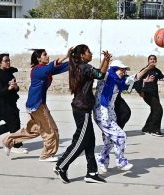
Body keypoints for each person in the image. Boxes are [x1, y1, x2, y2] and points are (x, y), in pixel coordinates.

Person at [53, 44, 111, 184]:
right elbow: (100, 75)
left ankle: (92, 172)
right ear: (82, 55)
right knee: (80, 142)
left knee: (90, 141)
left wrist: (105, 60)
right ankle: (61, 166)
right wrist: (107, 61)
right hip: (82, 109)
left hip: (81, 107)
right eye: (88, 52)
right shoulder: (84, 67)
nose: (91, 54)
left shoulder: (79, 65)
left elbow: (97, 72)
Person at [2, 48, 70, 162]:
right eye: (45, 55)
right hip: (37, 105)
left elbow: (59, 67)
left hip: (37, 104)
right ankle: (46, 155)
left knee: (33, 131)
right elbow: (52, 67)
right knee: (51, 130)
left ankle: (8, 141)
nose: (47, 56)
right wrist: (66, 55)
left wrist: (75, 61)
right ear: (39, 58)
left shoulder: (44, 69)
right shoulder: (37, 70)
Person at [93, 60, 155, 173]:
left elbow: (135, 77)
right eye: (122, 69)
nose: (124, 71)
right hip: (101, 113)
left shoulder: (120, 81)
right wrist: (106, 61)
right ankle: (121, 162)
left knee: (109, 141)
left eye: (125, 69)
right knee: (121, 136)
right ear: (114, 69)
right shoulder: (106, 78)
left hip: (111, 113)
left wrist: (147, 68)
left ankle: (101, 160)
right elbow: (100, 72)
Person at [0, 53, 28, 154]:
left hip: (10, 100)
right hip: (0, 102)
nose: (9, 62)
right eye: (6, 61)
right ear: (0, 62)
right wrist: (9, 88)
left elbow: (16, 88)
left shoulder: (8, 72)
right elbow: (0, 91)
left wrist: (15, 87)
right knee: (13, 122)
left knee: (14, 122)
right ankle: (14, 145)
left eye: (9, 60)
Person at [134, 54, 164, 137]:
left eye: (154, 59)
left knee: (154, 110)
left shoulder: (157, 71)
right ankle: (155, 130)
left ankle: (146, 128)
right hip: (147, 94)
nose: (152, 60)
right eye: (151, 59)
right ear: (148, 61)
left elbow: (163, 78)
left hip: (155, 94)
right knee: (159, 110)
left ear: (156, 61)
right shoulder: (145, 70)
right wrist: (140, 92)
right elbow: (137, 81)